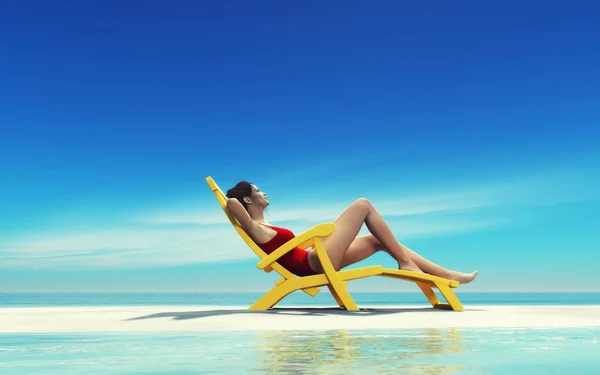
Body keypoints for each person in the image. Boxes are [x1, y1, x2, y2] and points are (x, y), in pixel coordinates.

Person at [225, 180, 478, 284]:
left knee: (375, 240)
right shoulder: (255, 228)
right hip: (313, 263)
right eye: (258, 191)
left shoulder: (266, 227)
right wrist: (228, 196)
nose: (264, 193)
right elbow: (232, 204)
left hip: (313, 255)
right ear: (248, 200)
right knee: (362, 205)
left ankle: (447, 274)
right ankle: (404, 262)